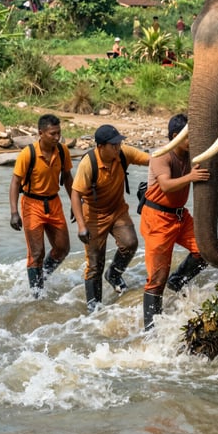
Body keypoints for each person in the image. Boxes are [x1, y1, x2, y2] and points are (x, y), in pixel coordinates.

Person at [140, 114, 218, 329]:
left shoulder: (192, 154)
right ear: (175, 136)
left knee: (204, 250)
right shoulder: (161, 155)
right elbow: (165, 185)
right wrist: (190, 177)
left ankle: (177, 281)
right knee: (156, 278)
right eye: (191, 136)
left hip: (180, 216)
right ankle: (150, 329)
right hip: (157, 218)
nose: (196, 141)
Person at [71, 125, 150, 313]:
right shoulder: (88, 163)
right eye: (113, 145)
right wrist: (81, 225)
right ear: (100, 146)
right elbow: (75, 194)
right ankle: (93, 309)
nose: (118, 147)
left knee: (130, 243)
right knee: (95, 264)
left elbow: (152, 161)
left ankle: (113, 274)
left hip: (117, 210)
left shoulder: (123, 154)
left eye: (119, 143)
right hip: (94, 215)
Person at [9, 114, 73, 297]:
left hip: (54, 202)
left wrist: (76, 203)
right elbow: (15, 183)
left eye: (59, 133)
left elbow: (68, 178)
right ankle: (36, 294)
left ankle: (43, 276)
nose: (57, 137)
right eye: (52, 134)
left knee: (62, 248)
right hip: (32, 204)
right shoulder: (27, 154)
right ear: (41, 133)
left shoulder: (62, 151)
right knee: (36, 252)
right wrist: (14, 212)